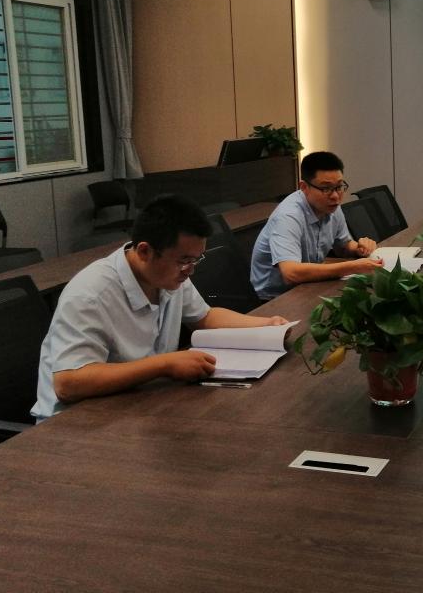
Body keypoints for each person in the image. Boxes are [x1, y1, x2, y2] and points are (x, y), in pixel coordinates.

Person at [32, 195, 289, 420]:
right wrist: (164, 364)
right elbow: (68, 383)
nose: (190, 270)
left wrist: (267, 325)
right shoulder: (91, 294)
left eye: (196, 259)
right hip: (76, 423)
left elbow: (205, 317)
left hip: (138, 402)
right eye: (184, 260)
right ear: (145, 251)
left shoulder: (166, 274)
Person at [250, 151, 381, 299]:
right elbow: (291, 273)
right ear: (304, 187)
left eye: (339, 186)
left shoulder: (332, 206)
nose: (335, 196)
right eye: (326, 188)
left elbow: (343, 246)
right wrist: (352, 267)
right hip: (273, 298)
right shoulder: (288, 217)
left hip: (309, 285)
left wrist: (359, 248)